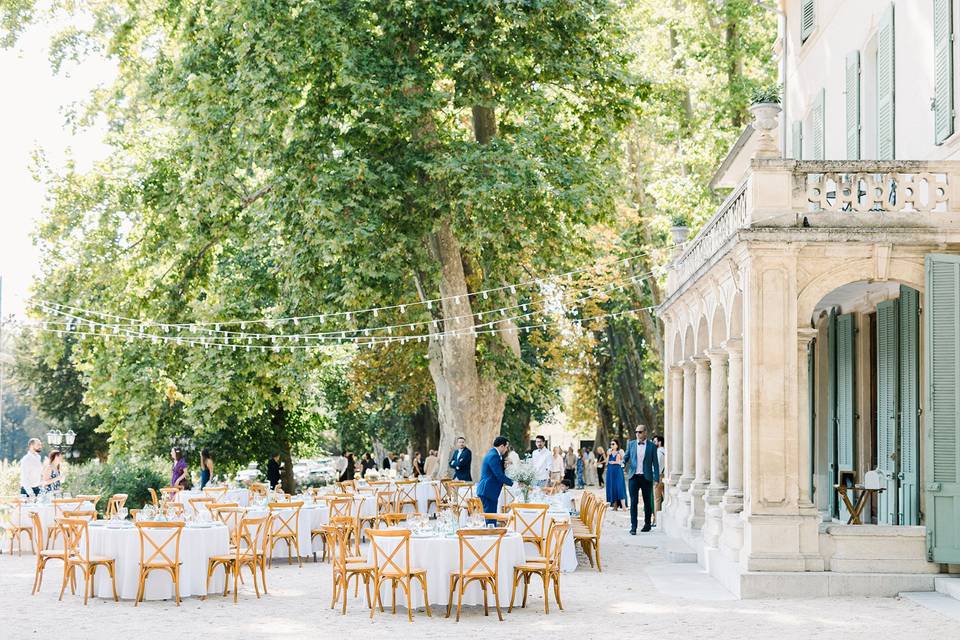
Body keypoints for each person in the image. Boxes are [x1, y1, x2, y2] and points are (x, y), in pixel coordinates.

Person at [623, 425, 660, 535]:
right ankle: (633, 527)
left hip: (646, 477)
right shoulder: (631, 444)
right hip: (633, 476)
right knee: (633, 502)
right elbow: (626, 456)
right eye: (636, 432)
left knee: (647, 502)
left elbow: (656, 464)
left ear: (645, 433)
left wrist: (656, 478)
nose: (637, 434)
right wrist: (623, 462)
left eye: (640, 432)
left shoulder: (652, 446)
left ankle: (647, 524)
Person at [476, 436, 514, 518]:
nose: (506, 450)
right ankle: (491, 530)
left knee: (492, 517)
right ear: (501, 446)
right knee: (491, 518)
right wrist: (514, 484)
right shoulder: (494, 455)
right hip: (488, 491)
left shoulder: (494, 454)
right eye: (506, 447)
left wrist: (504, 465)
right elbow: (499, 475)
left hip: (490, 490)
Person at [605, 440, 626, 510]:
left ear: (617, 445)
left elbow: (624, 460)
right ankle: (615, 506)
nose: (612, 445)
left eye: (613, 444)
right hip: (610, 472)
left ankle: (623, 506)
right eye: (611, 444)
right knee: (612, 487)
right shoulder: (609, 451)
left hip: (618, 471)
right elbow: (606, 462)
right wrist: (608, 454)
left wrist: (616, 462)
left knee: (619, 487)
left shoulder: (620, 451)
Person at [653, 435, 666, 525]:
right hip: (666, 475)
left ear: (659, 442)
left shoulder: (658, 452)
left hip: (659, 476)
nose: (654, 443)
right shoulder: (666, 451)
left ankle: (657, 520)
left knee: (657, 499)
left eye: (655, 441)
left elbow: (657, 466)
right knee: (666, 498)